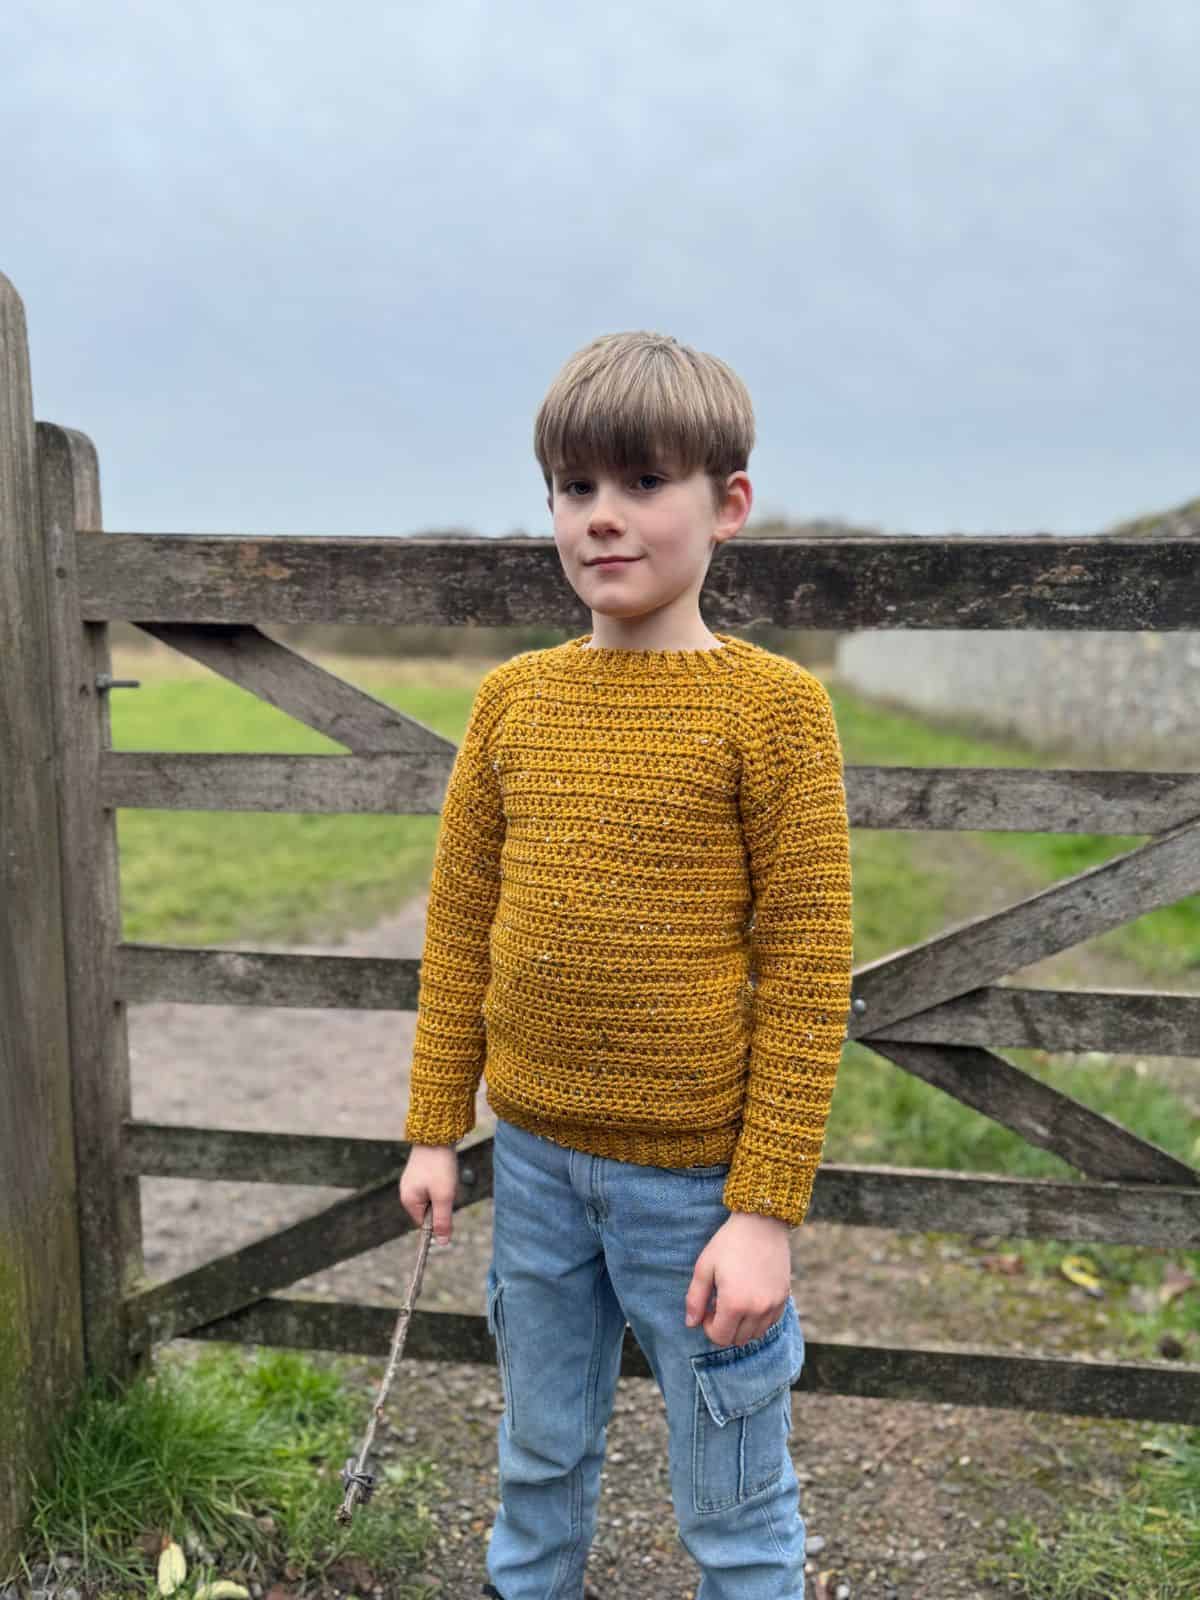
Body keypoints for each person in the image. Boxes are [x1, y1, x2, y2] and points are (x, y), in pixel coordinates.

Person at [399, 331, 855, 1600]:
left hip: (697, 1188)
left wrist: (763, 1209)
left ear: (728, 504)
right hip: (536, 1170)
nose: (603, 518)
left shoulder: (773, 711)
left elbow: (812, 963)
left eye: (643, 483)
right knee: (538, 1454)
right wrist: (438, 1127)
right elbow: (461, 924)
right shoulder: (512, 701)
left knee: (735, 1493)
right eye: (574, 487)